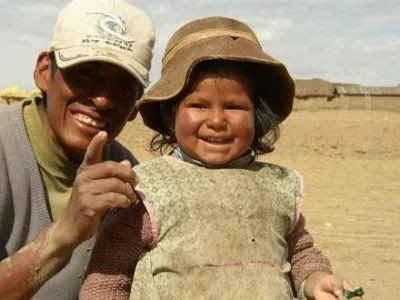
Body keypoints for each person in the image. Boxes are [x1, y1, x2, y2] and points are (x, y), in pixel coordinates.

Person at [80, 17, 362, 300]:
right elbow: (108, 277)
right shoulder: (149, 191)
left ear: (258, 115)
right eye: (199, 105)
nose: (217, 120)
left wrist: (316, 280)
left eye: (234, 107)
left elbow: (300, 252)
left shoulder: (278, 187)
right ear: (171, 113)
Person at [0, 0, 155, 298]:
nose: (102, 100)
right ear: (45, 72)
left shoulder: (129, 178)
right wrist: (62, 236)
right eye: (85, 74)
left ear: (135, 106)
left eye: (123, 87)